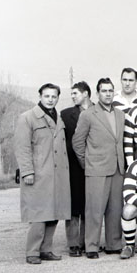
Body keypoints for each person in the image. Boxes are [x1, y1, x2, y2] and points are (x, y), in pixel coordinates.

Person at [14, 83, 71, 264]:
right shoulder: (27, 118)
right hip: (39, 174)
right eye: (47, 96)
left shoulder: (58, 118)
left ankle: (46, 249)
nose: (50, 100)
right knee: (38, 214)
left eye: (54, 96)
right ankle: (32, 252)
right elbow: (22, 148)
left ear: (58, 98)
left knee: (54, 212)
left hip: (57, 175)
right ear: (40, 96)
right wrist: (27, 172)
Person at [72, 78, 126, 258]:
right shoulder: (88, 115)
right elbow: (77, 142)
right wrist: (88, 163)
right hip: (96, 169)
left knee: (115, 209)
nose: (108, 94)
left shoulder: (120, 114)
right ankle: (91, 247)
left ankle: (113, 244)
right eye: (104, 91)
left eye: (111, 91)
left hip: (117, 168)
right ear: (97, 93)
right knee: (94, 210)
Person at [60, 81, 92, 257]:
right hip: (72, 166)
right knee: (73, 205)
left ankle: (86, 241)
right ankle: (73, 244)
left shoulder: (99, 111)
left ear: (85, 93)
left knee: (90, 204)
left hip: (94, 164)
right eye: (71, 93)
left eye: (75, 93)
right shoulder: (65, 115)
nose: (72, 96)